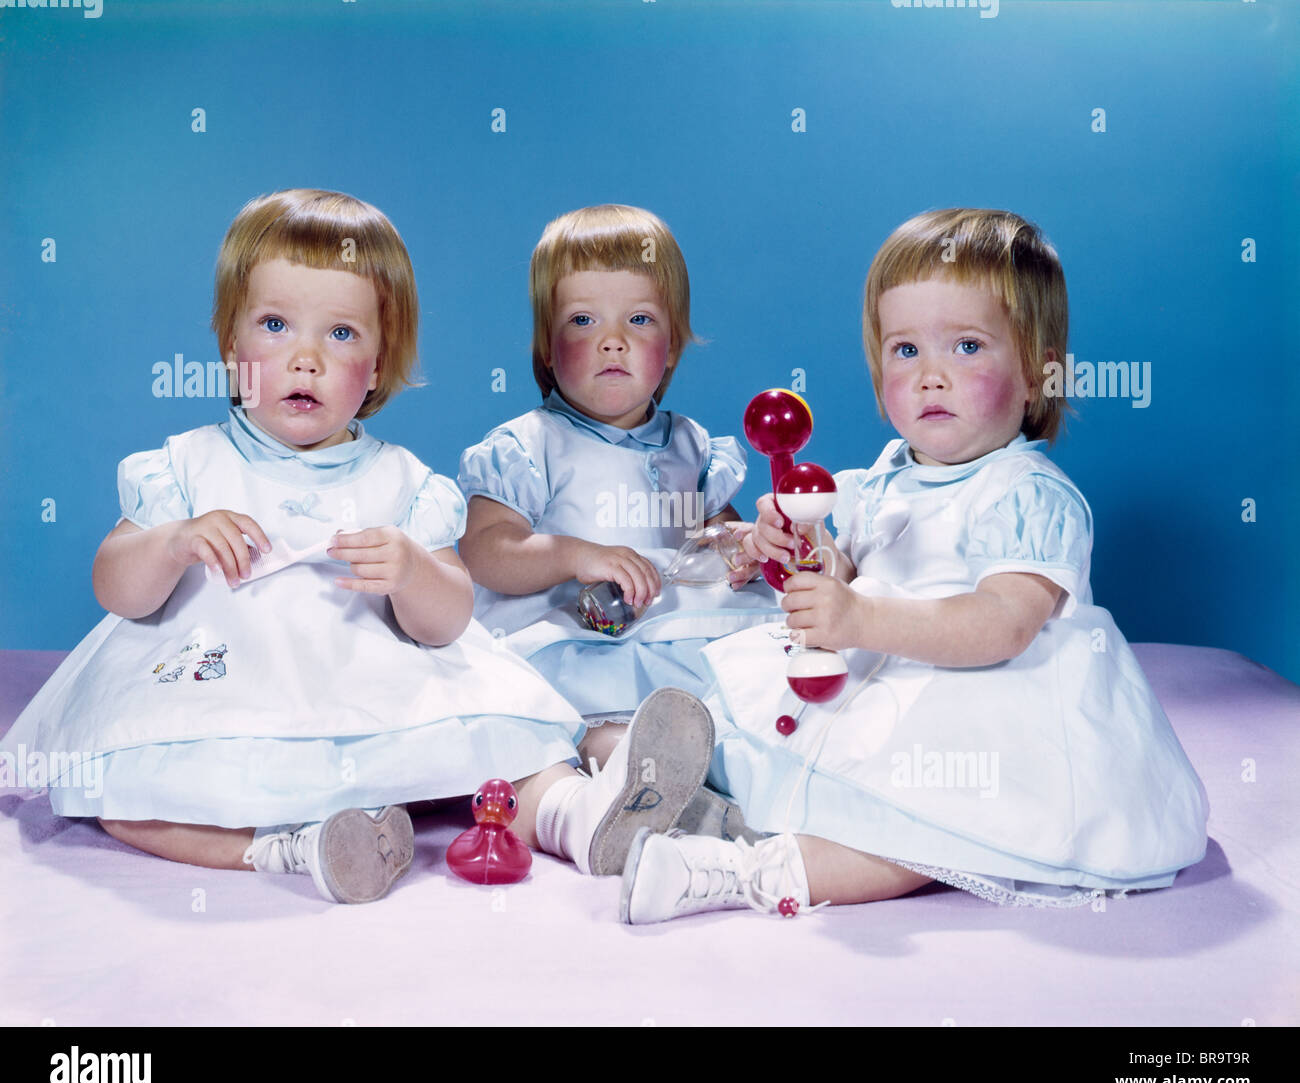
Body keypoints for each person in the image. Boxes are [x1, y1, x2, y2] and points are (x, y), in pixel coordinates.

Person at [3, 188, 713, 902]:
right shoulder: (186, 466)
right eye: (275, 325)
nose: (305, 358)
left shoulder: (401, 480)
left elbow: (447, 622)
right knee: (123, 789)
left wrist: (410, 571)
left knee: (513, 745)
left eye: (340, 334)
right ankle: (289, 849)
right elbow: (116, 589)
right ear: (230, 345)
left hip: (373, 694)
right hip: (226, 688)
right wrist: (174, 542)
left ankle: (579, 816)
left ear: (377, 366)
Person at [620, 208, 1210, 923]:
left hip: (988, 707)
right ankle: (672, 801)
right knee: (766, 739)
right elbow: (855, 566)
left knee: (932, 829)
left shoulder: (1027, 494)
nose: (931, 376)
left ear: (1037, 375)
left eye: (966, 345)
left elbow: (1003, 623)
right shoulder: (883, 478)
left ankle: (755, 870)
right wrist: (807, 554)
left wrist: (863, 617)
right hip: (883, 678)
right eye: (904, 351)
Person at [457, 204, 781, 837]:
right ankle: (644, 784)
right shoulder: (530, 445)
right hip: (573, 640)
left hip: (677, 640)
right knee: (569, 729)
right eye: (582, 320)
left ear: (674, 345)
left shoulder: (693, 448)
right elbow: (485, 552)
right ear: (545, 349)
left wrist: (745, 548)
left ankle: (719, 795)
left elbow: (718, 543)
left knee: (746, 689)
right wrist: (577, 555)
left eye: (639, 319)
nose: (613, 340)